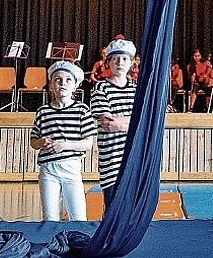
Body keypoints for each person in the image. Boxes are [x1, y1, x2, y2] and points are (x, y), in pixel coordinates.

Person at [29, 60, 95, 222]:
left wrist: (64, 145)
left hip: (71, 169)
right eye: (57, 80)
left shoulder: (81, 110)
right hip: (48, 171)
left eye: (68, 80)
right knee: (50, 217)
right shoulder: (43, 112)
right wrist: (41, 142)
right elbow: (33, 142)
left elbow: (88, 143)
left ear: (74, 86)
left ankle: (80, 245)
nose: (62, 84)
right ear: (51, 85)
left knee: (78, 216)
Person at [90, 37, 137, 209]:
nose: (120, 62)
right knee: (112, 209)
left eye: (124, 59)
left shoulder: (135, 89)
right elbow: (108, 123)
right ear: (108, 62)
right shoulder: (101, 88)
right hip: (111, 160)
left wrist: (123, 124)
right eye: (115, 58)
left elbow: (142, 122)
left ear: (131, 63)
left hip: (132, 158)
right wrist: (133, 125)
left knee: (131, 209)